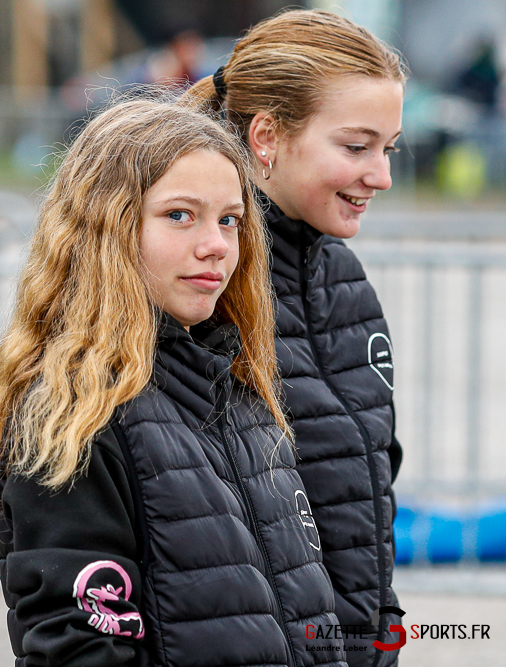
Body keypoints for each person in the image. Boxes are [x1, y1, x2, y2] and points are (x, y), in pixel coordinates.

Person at [0, 98, 348, 667]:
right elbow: (79, 649)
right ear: (106, 230)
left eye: (229, 219)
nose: (216, 243)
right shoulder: (70, 419)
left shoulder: (240, 392)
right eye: (180, 215)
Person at [183, 9, 406, 665]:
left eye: (389, 149)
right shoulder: (198, 281)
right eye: (357, 147)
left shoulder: (343, 277)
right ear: (267, 136)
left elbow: (367, 486)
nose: (382, 176)